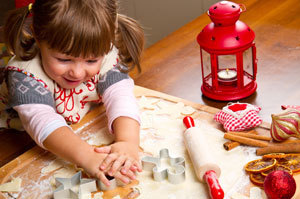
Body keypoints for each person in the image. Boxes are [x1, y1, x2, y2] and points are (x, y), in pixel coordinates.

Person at [1, 0, 144, 186]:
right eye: (64, 59)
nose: (77, 72)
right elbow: (42, 121)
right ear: (37, 35)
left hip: (79, 120)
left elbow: (120, 94)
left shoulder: (104, 50)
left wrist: (128, 141)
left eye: (91, 61)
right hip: (18, 137)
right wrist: (87, 157)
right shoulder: (24, 75)